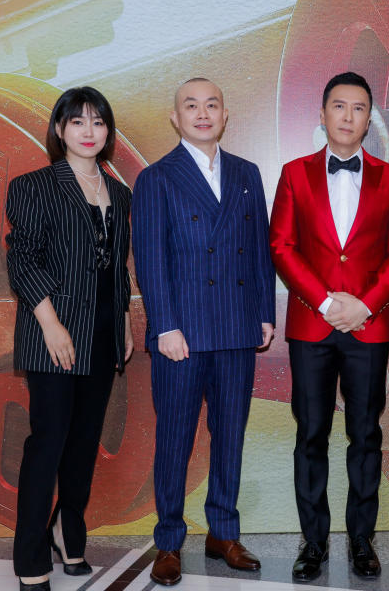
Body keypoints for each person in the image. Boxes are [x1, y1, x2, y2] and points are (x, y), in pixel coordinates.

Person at [269, 72, 389, 582]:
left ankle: (361, 541)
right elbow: (281, 247)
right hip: (312, 325)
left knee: (365, 435)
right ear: (323, 114)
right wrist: (329, 302)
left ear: (369, 119)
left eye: (359, 108)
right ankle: (313, 544)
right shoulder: (293, 174)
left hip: (368, 330)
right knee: (310, 435)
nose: (349, 116)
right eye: (339, 106)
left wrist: (366, 307)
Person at [132, 78, 275, 586]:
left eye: (211, 104)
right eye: (190, 106)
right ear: (175, 118)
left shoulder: (246, 174)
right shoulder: (157, 178)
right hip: (182, 334)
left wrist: (263, 313)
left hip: (237, 329)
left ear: (225, 113)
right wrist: (164, 325)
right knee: (174, 439)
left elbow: (259, 250)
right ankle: (168, 541)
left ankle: (223, 533)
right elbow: (150, 261)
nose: (202, 113)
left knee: (229, 437)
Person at [6, 86, 133, 591]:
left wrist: (122, 320)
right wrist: (50, 322)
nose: (88, 131)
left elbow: (117, 269)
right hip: (52, 331)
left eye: (98, 122)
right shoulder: (34, 185)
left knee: (83, 444)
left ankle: (68, 525)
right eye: (77, 122)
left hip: (103, 333)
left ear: (108, 132)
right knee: (48, 444)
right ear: (60, 130)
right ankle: (30, 554)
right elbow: (23, 257)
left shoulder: (119, 193)